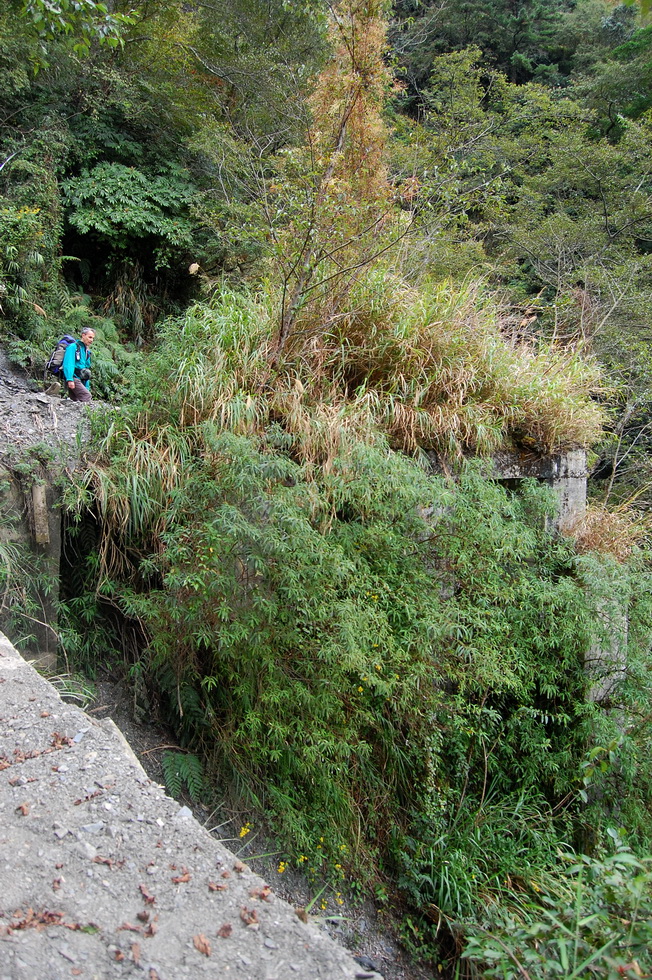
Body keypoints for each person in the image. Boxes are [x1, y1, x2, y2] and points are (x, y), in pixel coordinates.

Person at [62, 327, 95, 402]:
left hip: (81, 380)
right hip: (74, 378)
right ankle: (87, 413)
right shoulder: (73, 347)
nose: (91, 340)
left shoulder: (87, 351)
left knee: (75, 400)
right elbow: (68, 364)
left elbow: (86, 370)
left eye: (93, 338)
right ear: (83, 335)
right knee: (86, 397)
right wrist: (70, 379)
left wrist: (87, 387)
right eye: (89, 337)